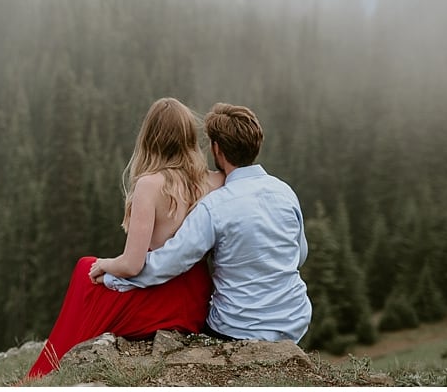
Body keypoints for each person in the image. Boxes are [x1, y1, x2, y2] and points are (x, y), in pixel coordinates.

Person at [23, 98, 223, 380]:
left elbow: (132, 265)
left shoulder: (150, 185)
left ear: (150, 137)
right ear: (189, 137)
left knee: (85, 269)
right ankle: (50, 367)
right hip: (197, 301)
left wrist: (106, 264)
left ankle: (44, 371)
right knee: (90, 271)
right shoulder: (215, 181)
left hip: (164, 297)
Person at [101, 103, 312, 342]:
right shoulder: (284, 191)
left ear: (217, 149)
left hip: (236, 327)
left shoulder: (215, 206)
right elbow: (300, 254)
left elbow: (169, 261)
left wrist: (110, 275)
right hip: (294, 320)